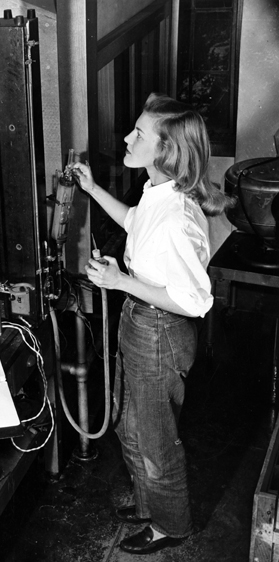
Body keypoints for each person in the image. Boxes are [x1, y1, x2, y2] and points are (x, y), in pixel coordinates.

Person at [71, 93, 235, 555]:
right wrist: (92, 189)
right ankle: (150, 506)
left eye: (139, 133)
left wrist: (120, 280)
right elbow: (135, 223)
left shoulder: (178, 220)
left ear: (164, 151)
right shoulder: (157, 192)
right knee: (131, 427)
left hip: (160, 330)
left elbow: (193, 300)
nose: (127, 136)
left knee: (154, 440)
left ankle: (170, 526)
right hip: (142, 322)